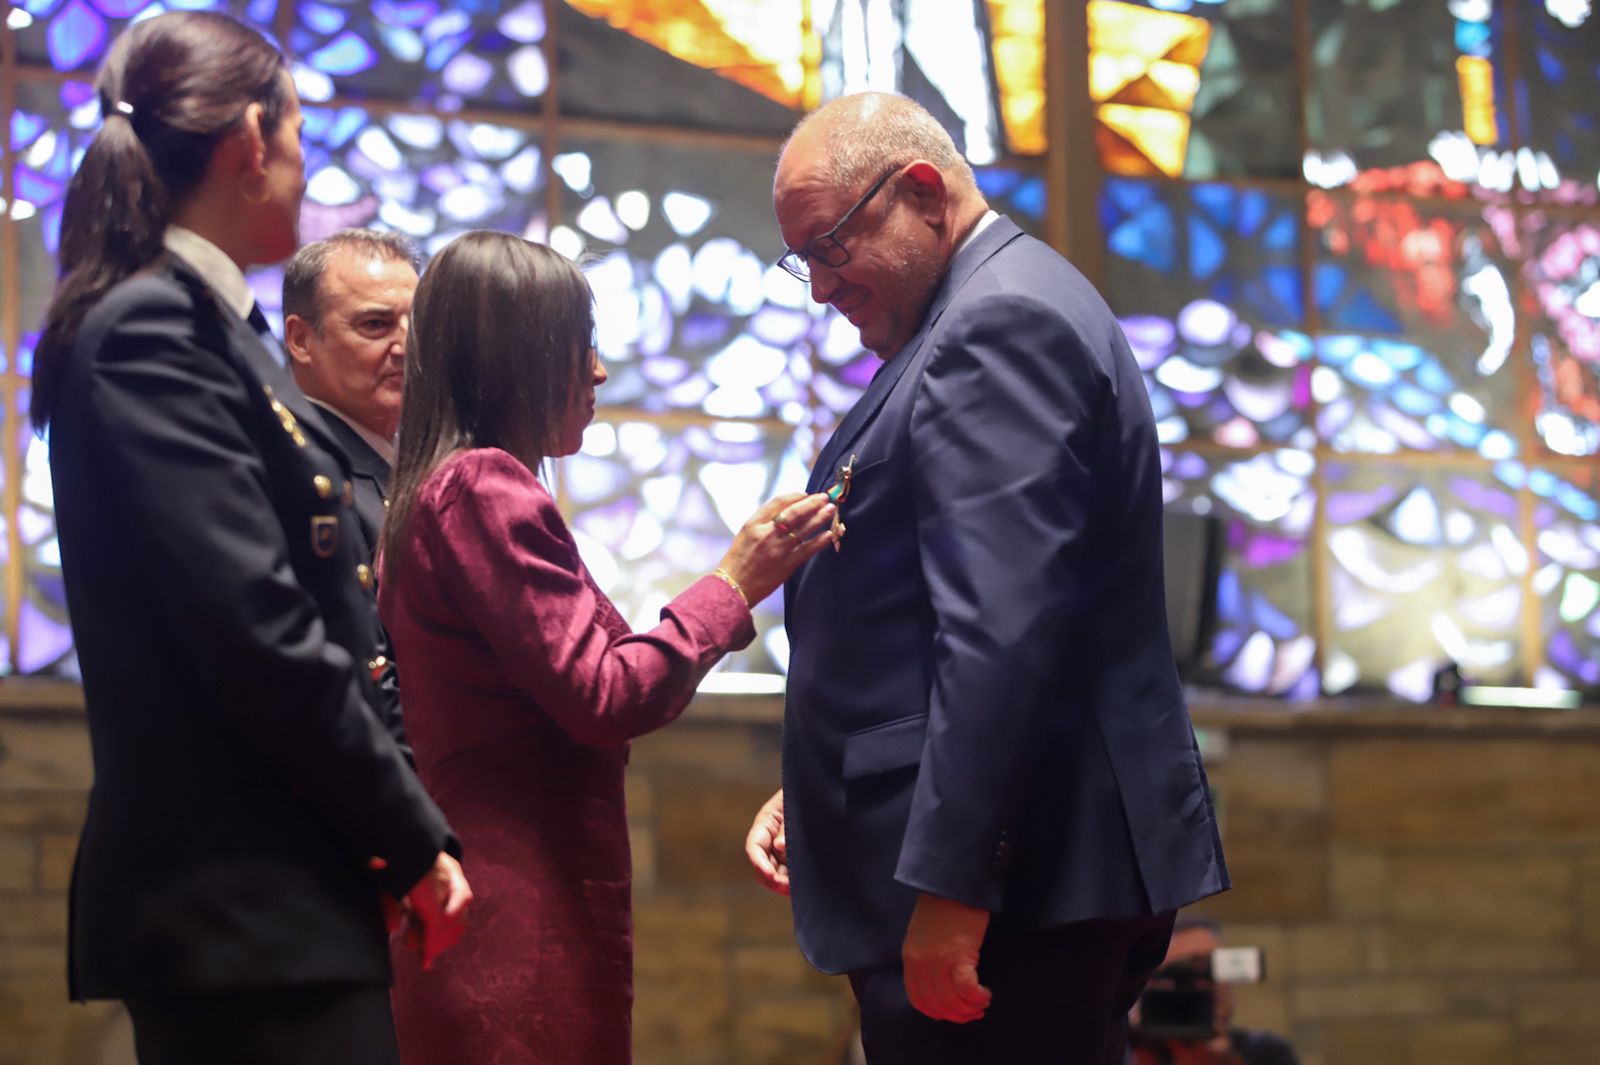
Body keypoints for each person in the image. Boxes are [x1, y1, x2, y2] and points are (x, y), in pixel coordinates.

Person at [744, 92, 1230, 1065]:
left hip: (1015, 886)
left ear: (921, 192)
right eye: (800, 260)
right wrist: (826, 778)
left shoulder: (996, 323)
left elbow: (1002, 630)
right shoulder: (983, 311)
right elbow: (916, 613)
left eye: (829, 248)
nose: (818, 291)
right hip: (1008, 866)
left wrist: (958, 882)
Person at [34, 13, 470, 1064]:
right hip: (239, 894)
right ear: (247, 141)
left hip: (287, 889)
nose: (302, 167)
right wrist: (407, 832)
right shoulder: (152, 331)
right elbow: (255, 624)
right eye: (300, 138)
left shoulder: (219, 331)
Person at [377, 230, 839, 1065]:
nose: (596, 371)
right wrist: (736, 580)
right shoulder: (484, 486)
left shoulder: (443, 486)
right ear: (514, 353)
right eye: (578, 345)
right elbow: (604, 695)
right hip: (517, 923)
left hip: (508, 907)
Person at [283, 229, 420, 757]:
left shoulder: (406, 463)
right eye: (375, 324)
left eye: (417, 324)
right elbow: (353, 685)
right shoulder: (299, 470)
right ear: (301, 339)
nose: (406, 346)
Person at [1129, 916, 1300, 1065]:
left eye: (1211, 969)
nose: (1202, 985)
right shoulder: (1124, 1050)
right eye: (1180, 974)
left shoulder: (1265, 1053)